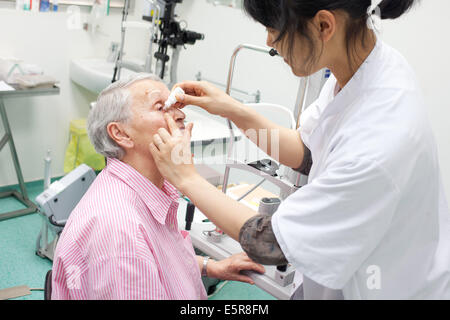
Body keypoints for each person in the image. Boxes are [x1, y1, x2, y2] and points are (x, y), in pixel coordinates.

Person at [149, 0, 450, 299]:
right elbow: (306, 153)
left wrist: (186, 178)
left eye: (274, 29)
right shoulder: (359, 69)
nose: (268, 41)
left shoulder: (380, 139)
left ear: (323, 25)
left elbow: (269, 243)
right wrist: (233, 111)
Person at [51, 73, 265, 300]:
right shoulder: (122, 231)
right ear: (121, 133)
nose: (181, 114)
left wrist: (210, 267)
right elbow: (134, 256)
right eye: (161, 107)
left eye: (176, 105)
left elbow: (158, 255)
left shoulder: (148, 191)